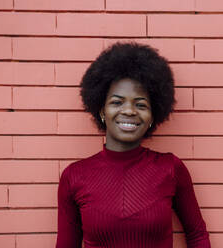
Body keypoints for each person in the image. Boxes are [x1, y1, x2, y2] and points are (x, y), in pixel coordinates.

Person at [56, 42, 211, 248]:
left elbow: (197, 234)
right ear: (102, 111)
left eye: (140, 104)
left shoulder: (171, 169)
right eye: (117, 102)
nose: (129, 111)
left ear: (152, 116)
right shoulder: (74, 176)